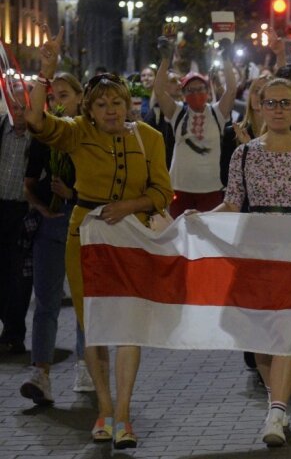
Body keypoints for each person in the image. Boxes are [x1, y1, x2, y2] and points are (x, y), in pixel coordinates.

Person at [26, 28, 173, 448]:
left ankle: (124, 415)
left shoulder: (151, 138)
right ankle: (104, 411)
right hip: (85, 234)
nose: (110, 110)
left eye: (117, 103)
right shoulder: (76, 132)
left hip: (133, 236)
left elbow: (163, 192)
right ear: (89, 110)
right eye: (102, 105)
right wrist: (46, 73)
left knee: (127, 327)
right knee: (95, 328)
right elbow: (36, 121)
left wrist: (130, 205)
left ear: (129, 104)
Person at [212, 77, 291, 446]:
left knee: (288, 333)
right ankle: (275, 405)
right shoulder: (244, 154)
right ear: (260, 107)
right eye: (272, 103)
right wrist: (199, 218)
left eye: (286, 103)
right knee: (260, 338)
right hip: (255, 253)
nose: (279, 109)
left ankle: (278, 410)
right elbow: (233, 202)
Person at [20, 73, 94, 406]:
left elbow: (102, 186)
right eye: (53, 97)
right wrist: (41, 206)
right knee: (46, 302)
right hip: (51, 228)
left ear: (80, 98)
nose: (58, 102)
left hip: (82, 224)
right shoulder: (44, 138)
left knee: (83, 301)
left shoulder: (87, 136)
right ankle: (41, 373)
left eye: (65, 95)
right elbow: (29, 182)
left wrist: (74, 193)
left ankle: (86, 365)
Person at [153, 36, 236, 218]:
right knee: (180, 237)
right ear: (183, 94)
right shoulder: (177, 113)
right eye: (190, 90)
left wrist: (227, 59)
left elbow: (231, 90)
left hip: (211, 189)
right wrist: (165, 59)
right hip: (179, 187)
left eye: (201, 89)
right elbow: (159, 90)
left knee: (208, 239)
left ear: (208, 92)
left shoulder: (217, 113)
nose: (196, 93)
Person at [0, 83, 32, 356]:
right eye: (15, 106)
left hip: (23, 213)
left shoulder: (39, 137)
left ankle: (14, 334)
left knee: (17, 275)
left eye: (24, 107)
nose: (19, 111)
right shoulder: (2, 129)